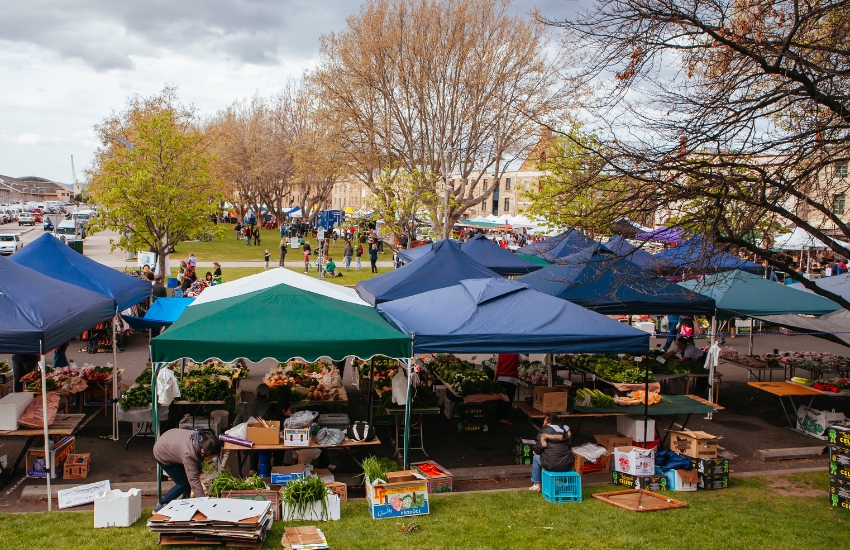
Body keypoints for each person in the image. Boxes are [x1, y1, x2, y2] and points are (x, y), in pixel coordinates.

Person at [152, 428, 222, 511]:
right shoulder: (189, 453)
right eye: (210, 457)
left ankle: (185, 502)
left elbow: (197, 458)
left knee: (187, 479)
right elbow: (193, 479)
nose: (211, 459)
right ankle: (160, 506)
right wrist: (203, 502)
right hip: (163, 453)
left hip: (171, 442)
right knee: (183, 483)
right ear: (202, 450)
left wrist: (199, 471)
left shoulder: (200, 440)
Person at [529, 413, 574, 492]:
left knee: (536, 457)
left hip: (551, 465)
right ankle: (561, 483)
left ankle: (537, 485)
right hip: (568, 464)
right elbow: (569, 446)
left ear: (547, 422)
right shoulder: (566, 431)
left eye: (544, 421)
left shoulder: (544, 432)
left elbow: (538, 449)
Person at [494, 353, 519, 425]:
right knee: (508, 399)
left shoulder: (500, 354)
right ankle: (504, 418)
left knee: (500, 398)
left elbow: (497, 367)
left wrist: (494, 379)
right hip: (512, 379)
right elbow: (518, 364)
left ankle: (498, 417)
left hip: (501, 378)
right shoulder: (517, 354)